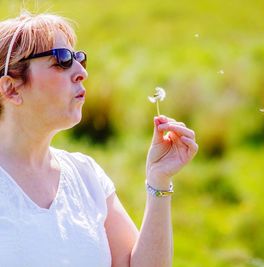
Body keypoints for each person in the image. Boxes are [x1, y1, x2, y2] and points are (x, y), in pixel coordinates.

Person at [0, 11, 198, 267]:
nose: (81, 71)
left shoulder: (86, 176)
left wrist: (159, 179)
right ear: (11, 88)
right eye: (62, 59)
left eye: (79, 58)